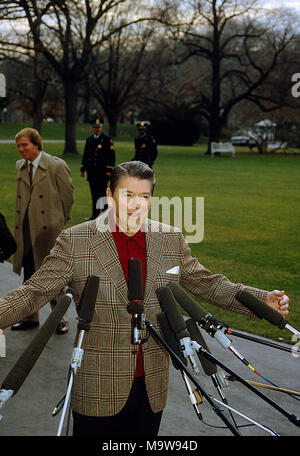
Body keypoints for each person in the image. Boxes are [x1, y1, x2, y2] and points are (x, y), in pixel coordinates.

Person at [0, 161, 289, 436]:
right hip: (99, 384)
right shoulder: (76, 241)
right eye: (128, 194)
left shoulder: (170, 239)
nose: (136, 204)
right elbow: (34, 292)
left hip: (152, 384)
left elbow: (208, 284)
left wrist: (263, 301)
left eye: (145, 196)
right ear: (110, 195)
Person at [11, 128, 74, 334]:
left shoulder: (55, 165)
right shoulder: (21, 166)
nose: (21, 150)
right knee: (29, 276)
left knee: (53, 275)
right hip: (27, 230)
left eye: (24, 145)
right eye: (18, 146)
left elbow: (68, 196)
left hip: (49, 230)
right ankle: (30, 317)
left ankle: (60, 320)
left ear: (36, 144)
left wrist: (59, 221)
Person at [80, 116, 116, 219]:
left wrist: (109, 169)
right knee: (94, 194)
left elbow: (111, 156)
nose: (98, 129)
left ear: (102, 127)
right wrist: (83, 169)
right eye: (96, 127)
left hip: (103, 173)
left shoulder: (107, 140)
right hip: (92, 173)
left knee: (104, 194)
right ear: (92, 127)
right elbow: (86, 155)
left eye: (99, 127)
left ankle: (105, 215)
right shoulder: (89, 140)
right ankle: (95, 215)